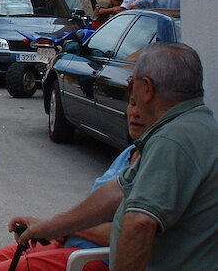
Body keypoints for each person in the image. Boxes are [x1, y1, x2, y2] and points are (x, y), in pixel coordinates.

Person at [11, 42, 218, 270]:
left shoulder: (173, 139)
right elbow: (115, 191)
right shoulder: (190, 125)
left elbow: (140, 223)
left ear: (147, 88)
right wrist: (50, 226)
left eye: (132, 83)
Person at [0, 98, 146, 271]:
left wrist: (62, 228)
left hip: (93, 256)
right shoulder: (129, 153)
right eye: (132, 103)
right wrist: (49, 225)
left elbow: (126, 235)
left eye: (143, 106)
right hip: (70, 241)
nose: (135, 113)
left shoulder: (152, 168)